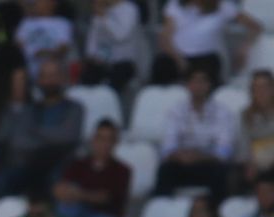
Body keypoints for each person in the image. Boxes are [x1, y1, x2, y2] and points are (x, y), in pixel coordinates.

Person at [0, 57, 84, 199]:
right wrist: (48, 139)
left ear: (62, 78)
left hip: (61, 165)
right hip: (30, 164)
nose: (49, 81)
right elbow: (18, 142)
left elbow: (68, 136)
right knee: (3, 179)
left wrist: (35, 133)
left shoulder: (74, 109)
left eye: (53, 76)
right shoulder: (29, 110)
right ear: (39, 80)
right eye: (44, 76)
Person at [157, 65, 238, 201]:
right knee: (165, 171)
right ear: (187, 85)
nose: (198, 86)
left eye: (202, 81)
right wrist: (181, 156)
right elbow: (167, 147)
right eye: (194, 81)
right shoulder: (176, 111)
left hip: (208, 165)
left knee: (221, 172)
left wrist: (199, 157)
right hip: (181, 164)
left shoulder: (222, 112)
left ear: (209, 85)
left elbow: (224, 150)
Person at [155, 0, 263, 86]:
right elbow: (165, 38)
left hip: (206, 58)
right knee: (161, 65)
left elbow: (255, 27)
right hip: (178, 56)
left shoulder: (223, 6)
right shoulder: (175, 5)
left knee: (204, 74)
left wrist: (244, 48)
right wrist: (179, 59)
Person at [82, 0, 145, 93]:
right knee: (87, 80)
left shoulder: (129, 9)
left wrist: (104, 17)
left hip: (124, 64)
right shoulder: (102, 11)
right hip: (103, 61)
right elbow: (93, 40)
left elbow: (120, 35)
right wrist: (93, 56)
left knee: (111, 87)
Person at [14, 0, 74, 72]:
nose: (39, 4)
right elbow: (18, 45)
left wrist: (46, 54)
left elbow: (64, 47)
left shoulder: (63, 23)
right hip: (27, 69)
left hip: (53, 71)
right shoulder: (26, 23)